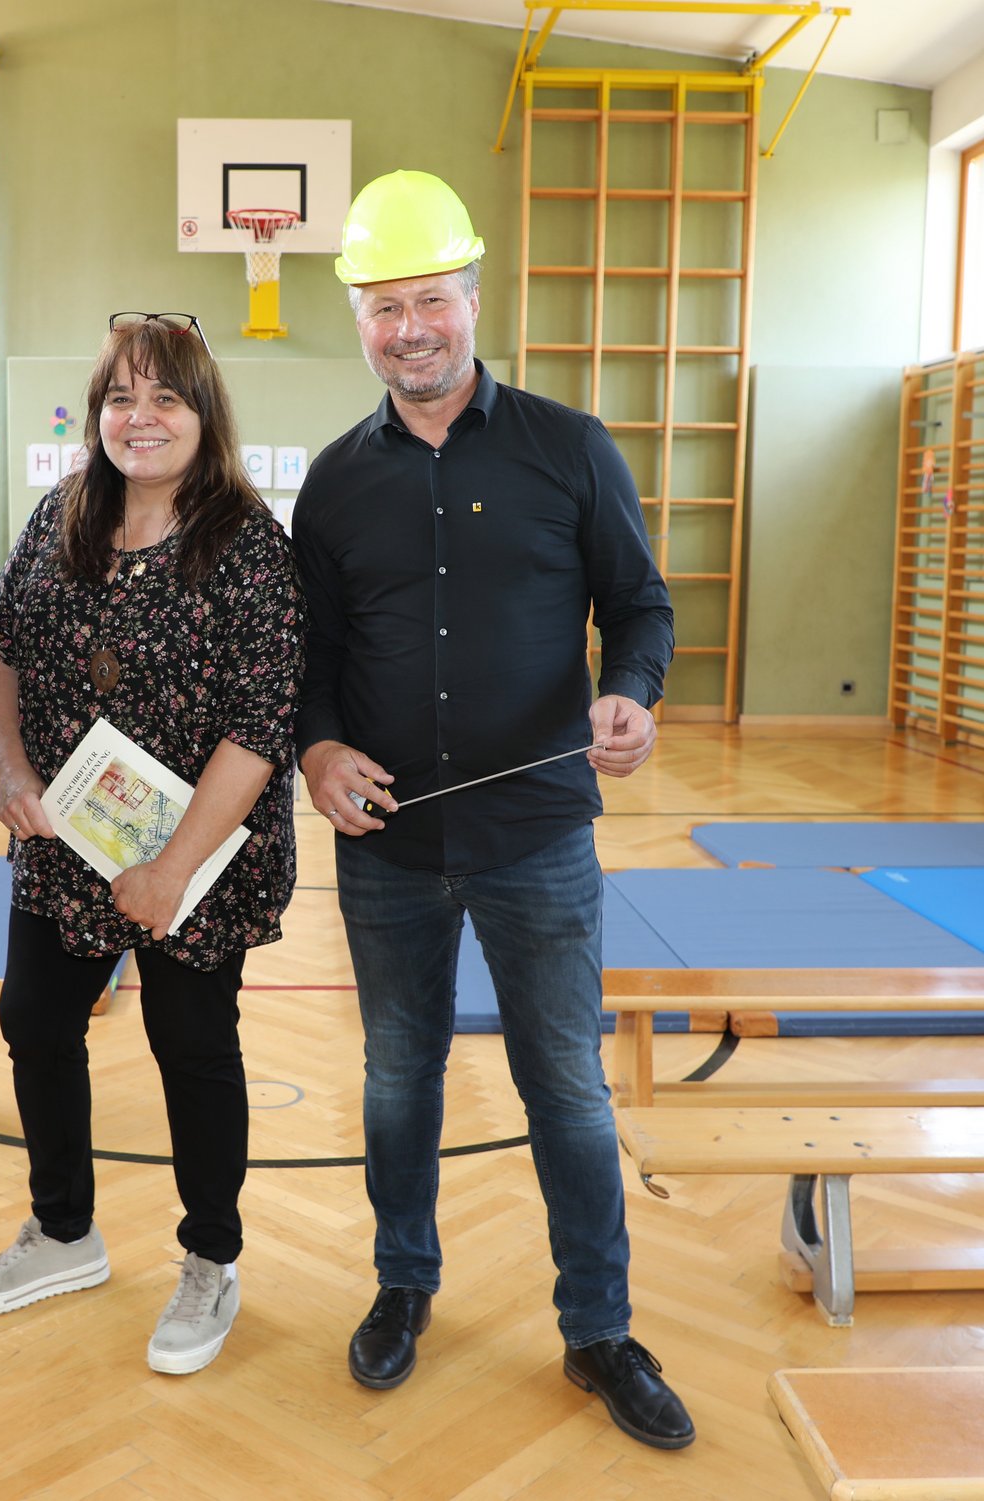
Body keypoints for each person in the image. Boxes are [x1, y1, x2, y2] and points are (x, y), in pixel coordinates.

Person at [291, 170, 692, 1450]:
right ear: (354, 317)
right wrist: (315, 750)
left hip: (537, 843)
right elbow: (308, 658)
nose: (406, 328)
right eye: (380, 307)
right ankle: (403, 1284)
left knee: (565, 1087)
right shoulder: (334, 484)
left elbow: (640, 606)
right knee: (397, 1080)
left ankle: (599, 1329)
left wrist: (628, 693)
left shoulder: (569, 446)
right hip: (388, 845)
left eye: (427, 301)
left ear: (471, 299)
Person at [0, 312, 303, 1377]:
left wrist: (170, 866)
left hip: (194, 855)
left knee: (191, 1047)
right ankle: (63, 1231)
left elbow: (259, 726)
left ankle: (209, 1259)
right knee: (32, 1017)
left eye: (163, 398)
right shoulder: (61, 514)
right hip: (65, 838)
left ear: (203, 415)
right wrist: (10, 773)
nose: (138, 418)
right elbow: (1, 648)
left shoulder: (246, 544)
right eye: (118, 397)